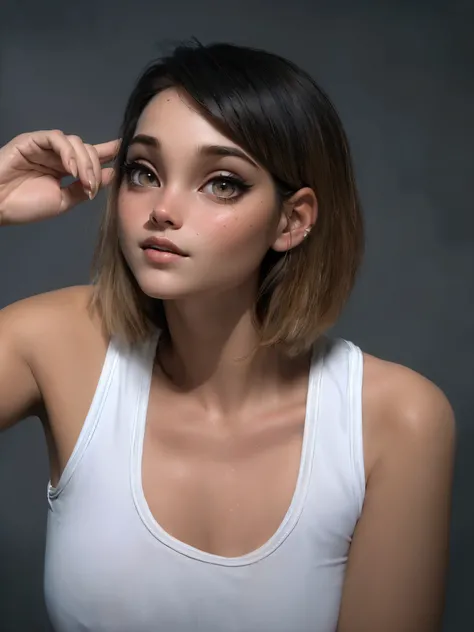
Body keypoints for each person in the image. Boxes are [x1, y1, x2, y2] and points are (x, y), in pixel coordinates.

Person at [0, 40, 455, 632]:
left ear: (292, 221)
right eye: (144, 172)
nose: (163, 208)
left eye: (220, 182)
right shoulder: (58, 344)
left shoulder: (398, 420)